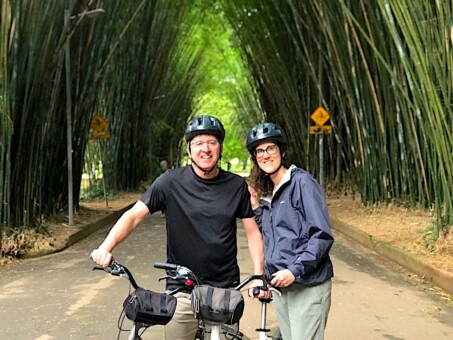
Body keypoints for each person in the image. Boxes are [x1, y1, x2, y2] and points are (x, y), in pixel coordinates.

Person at [90, 115, 266, 340]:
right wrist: (106, 247)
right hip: (181, 288)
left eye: (212, 142)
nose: (205, 149)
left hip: (224, 290)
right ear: (189, 150)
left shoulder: (236, 186)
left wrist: (259, 274)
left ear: (220, 147)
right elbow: (134, 216)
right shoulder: (170, 182)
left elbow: (252, 233)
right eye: (198, 143)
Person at [246, 122, 334, 340]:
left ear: (282, 151)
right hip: (283, 288)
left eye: (270, 149)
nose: (265, 155)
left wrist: (294, 270)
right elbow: (274, 235)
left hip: (306, 285)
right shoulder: (272, 192)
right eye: (259, 151)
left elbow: (321, 236)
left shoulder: (301, 183)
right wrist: (257, 206)